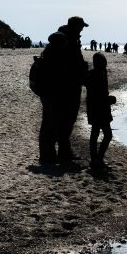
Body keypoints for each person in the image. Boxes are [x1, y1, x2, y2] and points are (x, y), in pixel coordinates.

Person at [36, 17, 89, 166]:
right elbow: (67, 67)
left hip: (63, 87)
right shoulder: (64, 41)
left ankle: (59, 153)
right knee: (58, 121)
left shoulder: (65, 39)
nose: (82, 30)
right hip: (64, 88)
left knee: (61, 120)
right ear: (75, 26)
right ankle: (51, 154)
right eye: (81, 27)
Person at [85, 52, 116, 170]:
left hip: (98, 108)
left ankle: (96, 159)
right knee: (105, 134)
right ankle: (97, 159)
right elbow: (97, 94)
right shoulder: (94, 74)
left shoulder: (101, 73)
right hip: (98, 109)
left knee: (96, 133)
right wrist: (108, 99)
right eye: (103, 61)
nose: (105, 64)